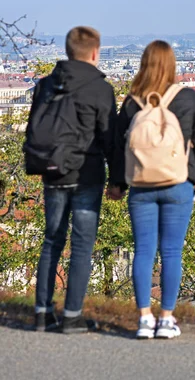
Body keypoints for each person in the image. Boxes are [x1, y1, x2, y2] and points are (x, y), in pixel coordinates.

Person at [109, 40, 195, 339]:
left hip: (140, 186)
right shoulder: (188, 98)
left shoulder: (132, 102)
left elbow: (117, 148)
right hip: (178, 183)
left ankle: (143, 319)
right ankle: (166, 319)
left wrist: (117, 183)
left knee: (143, 252)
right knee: (172, 253)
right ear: (172, 65)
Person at [29, 26, 117, 333]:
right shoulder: (100, 88)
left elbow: (34, 130)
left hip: (52, 172)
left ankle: (41, 313)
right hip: (87, 175)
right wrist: (118, 179)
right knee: (81, 245)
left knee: (51, 241)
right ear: (95, 53)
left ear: (68, 52)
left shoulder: (45, 85)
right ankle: (72, 315)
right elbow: (110, 138)